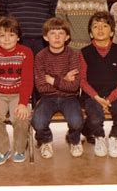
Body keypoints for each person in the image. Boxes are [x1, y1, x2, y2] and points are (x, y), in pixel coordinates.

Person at [31, 18, 84, 159]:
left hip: (69, 98)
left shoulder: (73, 55)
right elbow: (41, 88)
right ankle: (46, 141)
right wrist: (64, 79)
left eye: (61, 33)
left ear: (67, 37)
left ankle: (74, 140)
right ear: (45, 37)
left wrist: (52, 79)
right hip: (47, 98)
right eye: (52, 33)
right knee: (38, 121)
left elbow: (74, 87)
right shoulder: (40, 57)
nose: (56, 37)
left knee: (77, 121)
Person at [80, 11, 117, 158]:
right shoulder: (85, 52)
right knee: (94, 119)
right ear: (90, 33)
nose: (100, 29)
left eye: (104, 26)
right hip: (92, 96)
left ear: (112, 31)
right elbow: (82, 80)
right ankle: (99, 138)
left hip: (115, 95)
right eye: (95, 26)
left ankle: (114, 138)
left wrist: (110, 99)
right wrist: (96, 97)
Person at [0, 17, 34, 165]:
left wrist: (23, 103)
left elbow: (27, 80)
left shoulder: (25, 52)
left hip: (19, 93)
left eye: (11, 35)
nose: (7, 39)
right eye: (2, 35)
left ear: (18, 37)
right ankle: (3, 149)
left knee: (20, 117)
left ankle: (19, 149)